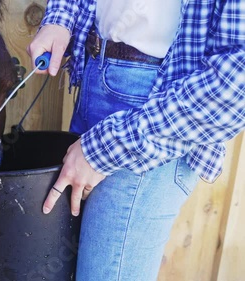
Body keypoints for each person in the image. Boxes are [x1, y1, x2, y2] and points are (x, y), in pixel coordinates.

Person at [27, 0, 244, 280]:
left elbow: (236, 85)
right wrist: (60, 18)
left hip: (154, 113)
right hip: (93, 75)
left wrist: (106, 148)